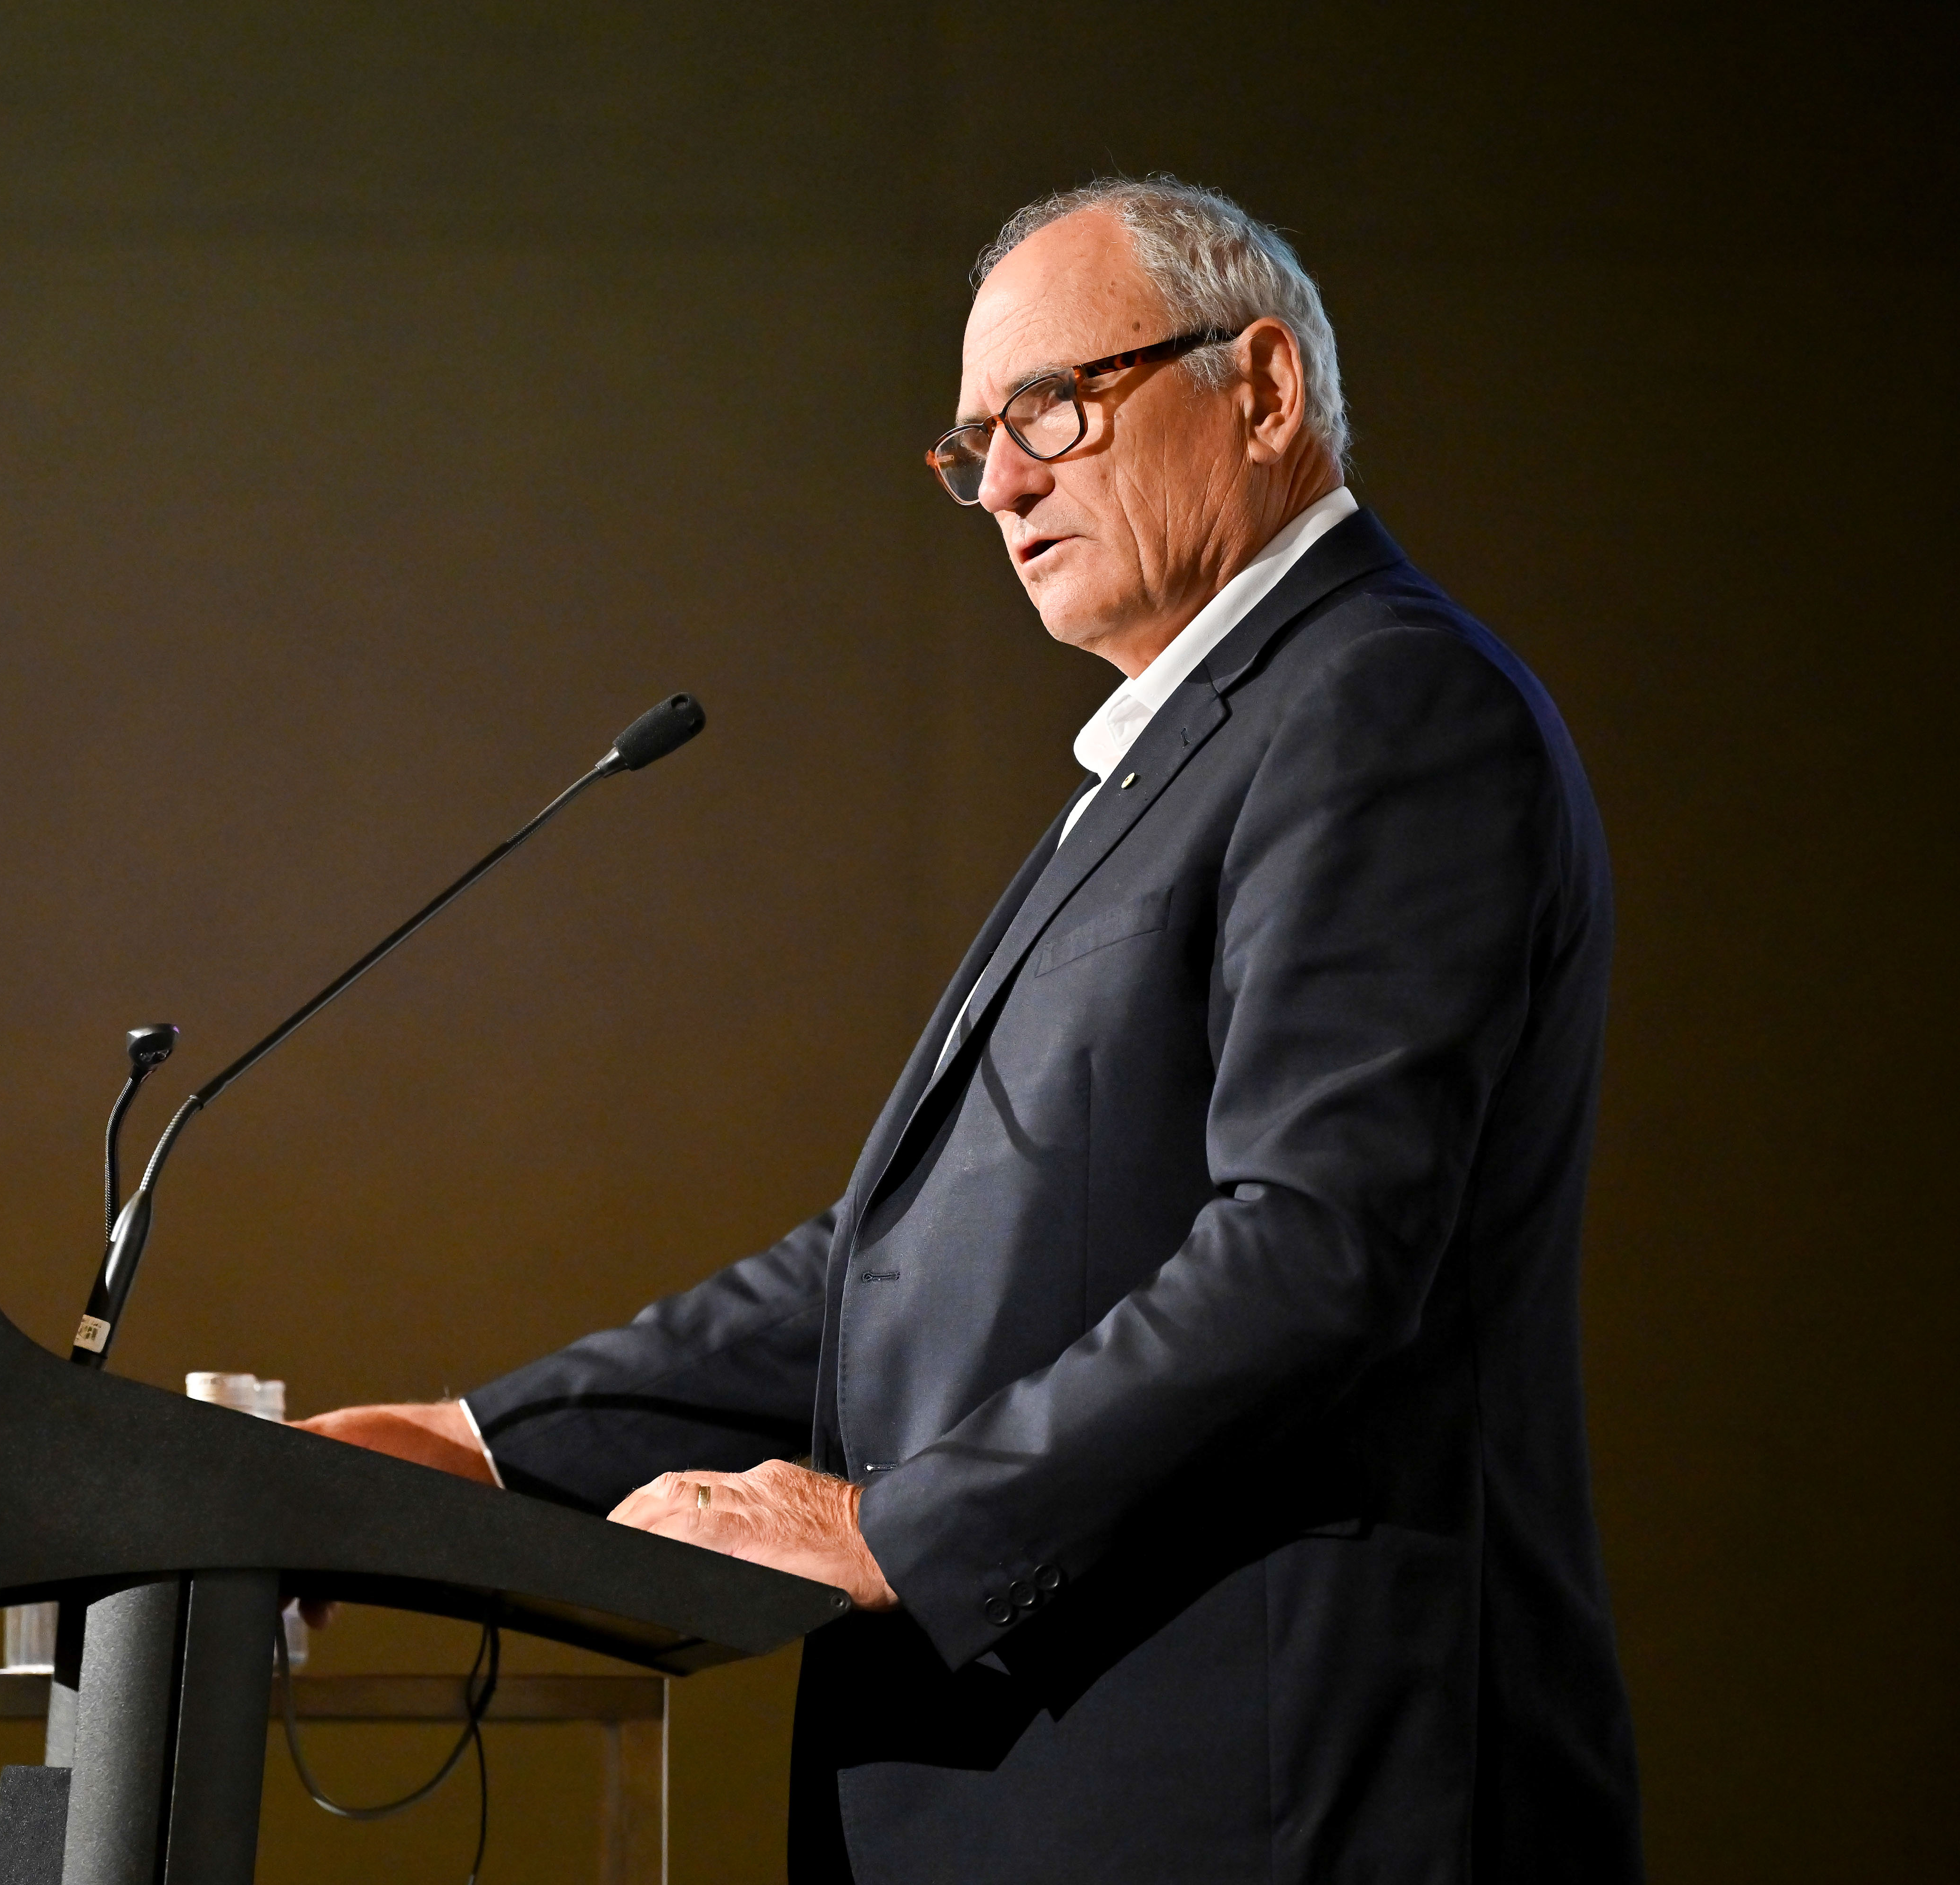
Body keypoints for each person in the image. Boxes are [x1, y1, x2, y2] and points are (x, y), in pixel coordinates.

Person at [299, 176, 1641, 1882]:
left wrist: (897, 1532)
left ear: (1264, 389)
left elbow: (1318, 1253)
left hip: (1269, 1803)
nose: (1001, 483)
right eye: (973, 444)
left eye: (1051, 407)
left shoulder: (1384, 700)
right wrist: (472, 1446)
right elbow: (898, 1278)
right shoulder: (1190, 754)